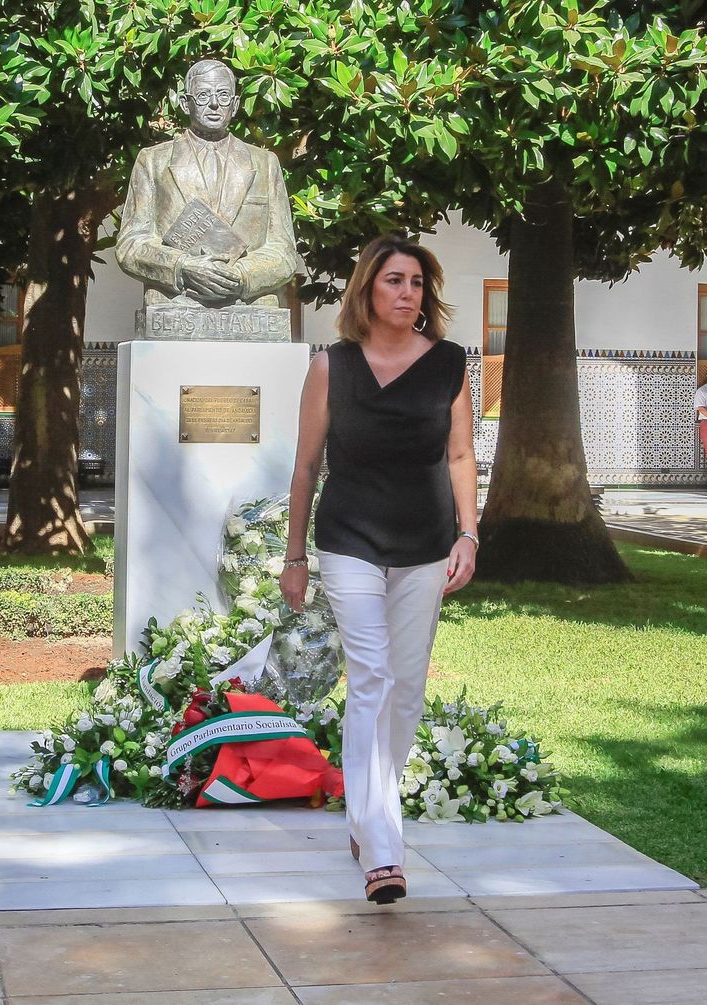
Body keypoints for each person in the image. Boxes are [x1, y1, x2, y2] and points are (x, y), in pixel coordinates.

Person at [280, 234, 477, 905]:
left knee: (407, 688)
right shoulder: (332, 366)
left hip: (426, 545)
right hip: (348, 541)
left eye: (416, 282)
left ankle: (365, 820)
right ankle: (384, 851)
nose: (407, 292)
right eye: (394, 280)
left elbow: (459, 458)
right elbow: (306, 466)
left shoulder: (449, 364)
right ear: (367, 289)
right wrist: (295, 556)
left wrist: (469, 534)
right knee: (372, 677)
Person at [115, 58, 303, 307]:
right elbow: (131, 244)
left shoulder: (265, 164)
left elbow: (284, 250)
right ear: (185, 103)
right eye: (203, 95)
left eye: (224, 96)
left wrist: (241, 276)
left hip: (247, 306)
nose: (214, 104)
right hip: (176, 302)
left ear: (235, 105)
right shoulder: (152, 161)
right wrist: (182, 267)